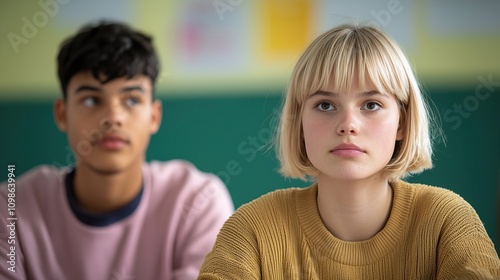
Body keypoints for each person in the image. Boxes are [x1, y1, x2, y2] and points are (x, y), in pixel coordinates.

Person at [198, 23, 500, 279]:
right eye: (325, 105)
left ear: (402, 123)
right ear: (299, 124)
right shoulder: (253, 229)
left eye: (371, 105)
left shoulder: (446, 221)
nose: (348, 125)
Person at [0, 21, 234, 280]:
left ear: (154, 116)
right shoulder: (11, 206)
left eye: (132, 99)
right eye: (91, 100)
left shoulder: (198, 201)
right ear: (62, 114)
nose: (113, 117)